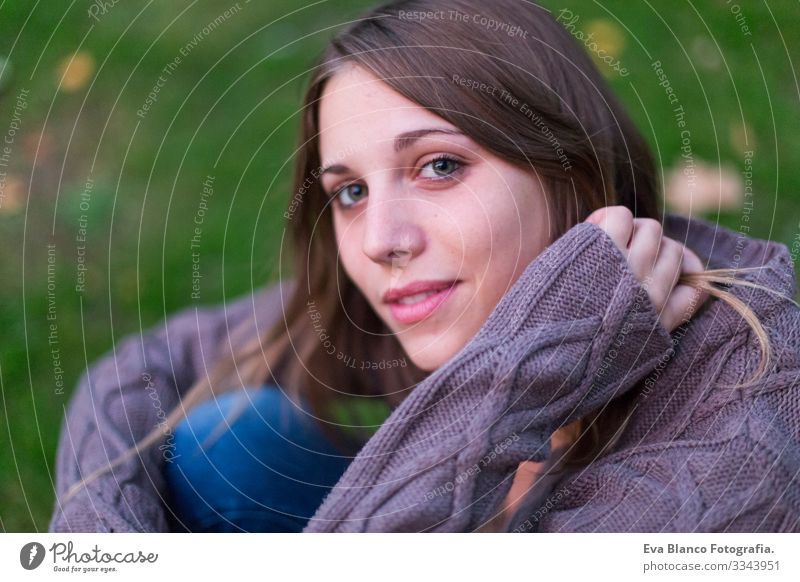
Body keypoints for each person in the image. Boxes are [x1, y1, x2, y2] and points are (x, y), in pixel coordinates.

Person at [50, 0, 799, 533]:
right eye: (349, 190)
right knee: (235, 440)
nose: (380, 239)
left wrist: (518, 376)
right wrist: (99, 541)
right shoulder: (439, 293)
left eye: (440, 165)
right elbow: (143, 369)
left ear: (572, 171)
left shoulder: (742, 429)